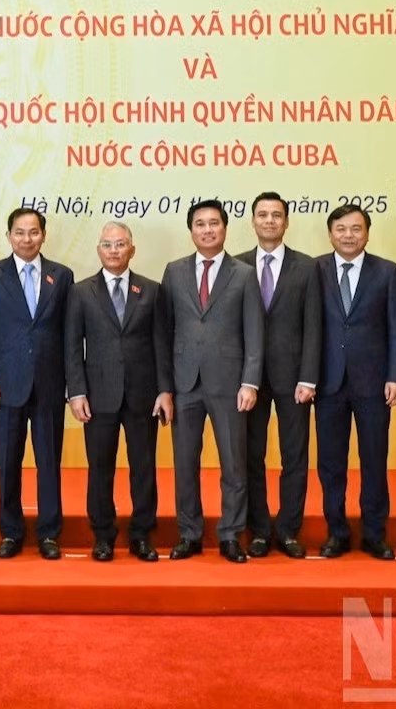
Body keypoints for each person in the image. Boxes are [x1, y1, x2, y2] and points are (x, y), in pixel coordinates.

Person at [160, 199, 262, 563]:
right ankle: (189, 534)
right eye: (200, 224)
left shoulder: (245, 273)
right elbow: (163, 332)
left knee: (233, 464)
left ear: (225, 228)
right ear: (191, 230)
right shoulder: (173, 271)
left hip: (230, 384)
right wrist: (165, 388)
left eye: (214, 223)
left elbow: (254, 330)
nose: (207, 229)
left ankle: (231, 535)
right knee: (185, 464)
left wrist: (250, 382)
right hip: (184, 383)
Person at [64, 220, 171, 562]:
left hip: (143, 395)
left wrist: (165, 390)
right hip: (98, 396)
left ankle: (141, 535)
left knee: (144, 467)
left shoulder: (152, 290)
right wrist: (76, 392)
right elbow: (71, 347)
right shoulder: (80, 292)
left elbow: (162, 345)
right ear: (99, 250)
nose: (113, 250)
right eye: (107, 245)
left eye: (120, 244)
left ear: (132, 250)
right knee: (100, 469)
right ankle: (103, 536)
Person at [314, 204, 396, 561]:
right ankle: (335, 532)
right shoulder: (316, 270)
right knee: (331, 463)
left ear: (367, 233)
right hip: (328, 383)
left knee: (374, 460)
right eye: (341, 229)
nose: (349, 235)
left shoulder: (387, 272)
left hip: (374, 384)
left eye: (356, 228)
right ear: (330, 233)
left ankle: (374, 533)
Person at [0, 207, 74, 560]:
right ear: (8, 236)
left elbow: (69, 334)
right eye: (19, 232)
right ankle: (11, 532)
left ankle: (49, 533)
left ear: (43, 235)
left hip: (50, 384)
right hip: (6, 385)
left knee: (49, 461)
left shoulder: (61, 276)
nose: (27, 239)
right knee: (8, 461)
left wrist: (71, 383)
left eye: (33, 232)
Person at [234, 192, 322, 560]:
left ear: (287, 222)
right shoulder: (235, 266)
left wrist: (309, 377)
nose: (269, 221)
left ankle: (287, 530)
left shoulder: (308, 267)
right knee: (251, 457)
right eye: (262, 215)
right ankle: (258, 530)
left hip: (294, 380)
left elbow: (315, 326)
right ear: (252, 221)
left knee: (294, 456)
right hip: (247, 380)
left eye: (276, 215)